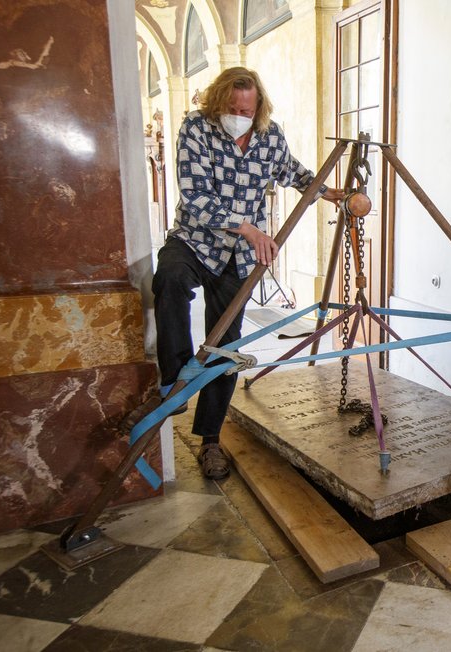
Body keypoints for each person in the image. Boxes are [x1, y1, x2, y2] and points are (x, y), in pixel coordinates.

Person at [151, 67, 345, 479]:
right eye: (232, 107)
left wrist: (332, 194)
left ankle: (210, 442)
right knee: (169, 279)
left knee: (224, 345)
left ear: (257, 107)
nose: (239, 114)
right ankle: (177, 377)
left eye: (247, 108)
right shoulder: (196, 130)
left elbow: (294, 173)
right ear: (218, 102)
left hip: (239, 257)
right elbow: (194, 194)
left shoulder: (269, 136)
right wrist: (249, 227)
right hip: (196, 240)